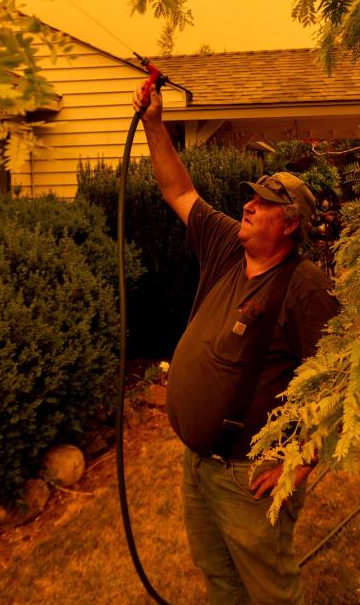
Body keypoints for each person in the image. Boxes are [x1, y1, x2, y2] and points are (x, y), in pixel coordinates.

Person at [132, 83, 340, 604]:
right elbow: (179, 192)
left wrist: (304, 459)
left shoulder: (304, 285)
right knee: (220, 581)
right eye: (251, 196)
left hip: (250, 474)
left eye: (264, 203)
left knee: (269, 590)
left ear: (290, 224)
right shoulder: (228, 245)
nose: (247, 205)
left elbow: (336, 380)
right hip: (200, 464)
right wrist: (156, 125)